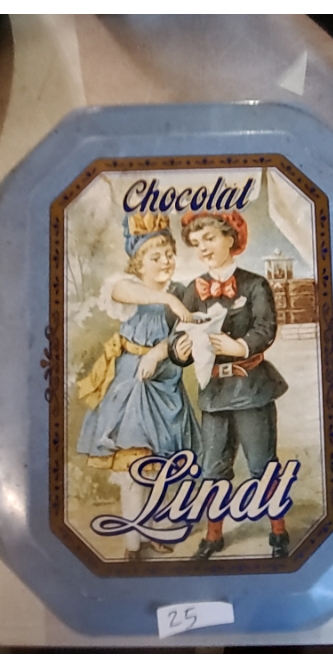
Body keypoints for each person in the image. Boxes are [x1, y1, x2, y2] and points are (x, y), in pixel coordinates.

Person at [76, 212, 202, 561]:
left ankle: (155, 528)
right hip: (131, 384)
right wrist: (166, 300)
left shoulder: (182, 292)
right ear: (138, 263)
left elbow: (184, 334)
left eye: (169, 254)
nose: (166, 261)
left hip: (165, 383)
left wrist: (161, 350)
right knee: (134, 464)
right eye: (155, 256)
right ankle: (133, 543)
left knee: (164, 465)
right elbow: (120, 290)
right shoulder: (127, 287)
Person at [171, 210, 290, 559]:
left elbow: (266, 328)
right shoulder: (193, 290)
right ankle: (214, 536)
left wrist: (240, 347)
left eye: (209, 238)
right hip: (213, 394)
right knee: (213, 467)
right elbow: (179, 334)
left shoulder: (255, 285)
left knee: (262, 464)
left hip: (250, 389)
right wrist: (180, 350)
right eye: (196, 243)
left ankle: (278, 532)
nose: (203, 248)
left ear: (230, 238)